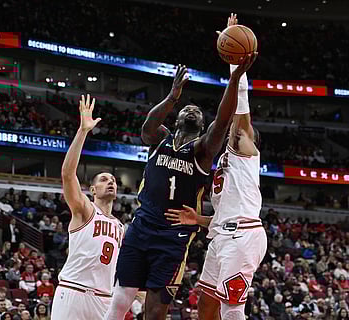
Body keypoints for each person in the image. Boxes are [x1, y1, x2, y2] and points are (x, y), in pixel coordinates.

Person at [105, 14, 257, 320]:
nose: (192, 110)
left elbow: (225, 120)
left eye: (197, 112)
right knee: (119, 300)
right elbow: (148, 126)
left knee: (156, 308)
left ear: (201, 126)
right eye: (187, 108)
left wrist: (235, 77)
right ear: (176, 120)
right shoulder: (159, 139)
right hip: (141, 226)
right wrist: (172, 97)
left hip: (172, 236)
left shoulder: (202, 150)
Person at [164, 14, 265, 320]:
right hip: (223, 234)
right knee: (206, 305)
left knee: (231, 308)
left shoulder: (246, 150)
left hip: (243, 237)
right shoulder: (225, 161)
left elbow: (240, 110)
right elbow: (225, 215)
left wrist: (235, 66)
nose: (235, 131)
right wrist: (199, 218)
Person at [51, 94, 125, 320]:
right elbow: (67, 174)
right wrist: (83, 131)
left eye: (112, 179)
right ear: (92, 190)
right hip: (74, 291)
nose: (110, 181)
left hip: (105, 298)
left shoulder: (120, 226)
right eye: (103, 179)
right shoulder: (84, 209)